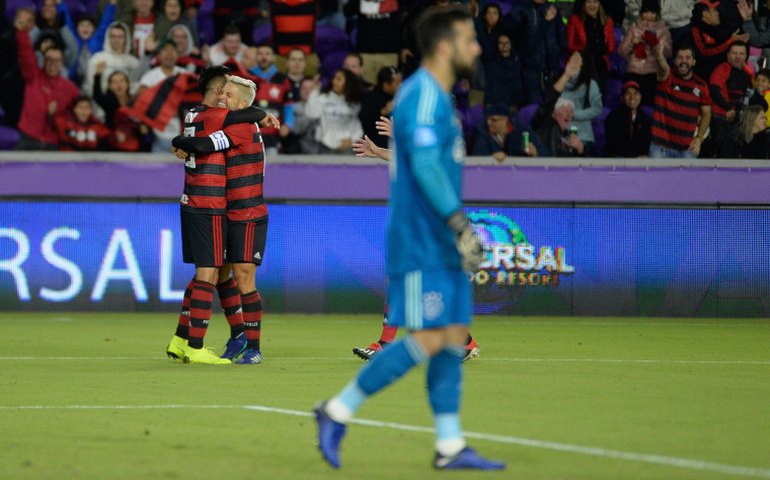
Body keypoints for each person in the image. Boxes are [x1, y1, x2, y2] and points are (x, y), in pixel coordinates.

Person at [314, 6, 505, 471]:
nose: (477, 48)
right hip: (422, 241)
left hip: (440, 239)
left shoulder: (437, 97)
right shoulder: (420, 94)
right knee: (432, 338)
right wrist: (460, 224)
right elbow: (423, 167)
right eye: (469, 39)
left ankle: (450, 445)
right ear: (445, 46)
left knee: (455, 336)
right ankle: (337, 410)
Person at [165, 67, 275, 364]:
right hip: (225, 209)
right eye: (222, 92)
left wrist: (180, 142)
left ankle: (252, 347)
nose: (223, 97)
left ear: (243, 106)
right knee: (219, 274)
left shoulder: (238, 126)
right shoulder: (222, 120)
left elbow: (201, 145)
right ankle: (236, 334)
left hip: (247, 211)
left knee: (240, 276)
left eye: (229, 95)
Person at [14, 18, 80, 150]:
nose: (53, 64)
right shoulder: (33, 76)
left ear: (62, 63)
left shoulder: (70, 88)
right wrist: (22, 33)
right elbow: (26, 54)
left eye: (57, 60)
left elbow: (78, 114)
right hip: (29, 137)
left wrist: (57, 115)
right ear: (43, 60)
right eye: (49, 59)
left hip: (53, 141)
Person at [649, 43, 712, 158]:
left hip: (687, 148)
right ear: (675, 61)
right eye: (680, 57)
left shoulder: (702, 85)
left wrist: (699, 138)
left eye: (688, 58)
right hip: (661, 146)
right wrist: (659, 57)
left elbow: (706, 114)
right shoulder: (667, 77)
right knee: (655, 176)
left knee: (690, 177)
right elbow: (663, 68)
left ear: (694, 62)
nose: (683, 61)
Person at [509, 0, 568, 106]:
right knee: (534, 111)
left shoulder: (552, 8)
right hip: (531, 72)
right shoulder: (520, 10)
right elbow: (525, 46)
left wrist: (560, 56)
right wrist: (545, 22)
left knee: (553, 110)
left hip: (552, 71)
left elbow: (562, 36)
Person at [531, 52, 586, 157]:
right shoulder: (542, 124)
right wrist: (566, 76)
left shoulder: (569, 136)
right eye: (566, 110)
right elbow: (548, 102)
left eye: (571, 112)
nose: (570, 115)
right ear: (553, 113)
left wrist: (581, 150)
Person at [619, 0, 672, 105]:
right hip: (633, 71)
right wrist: (632, 44)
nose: (649, 15)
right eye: (646, 12)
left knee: (648, 103)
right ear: (641, 13)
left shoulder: (663, 30)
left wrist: (656, 45)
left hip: (652, 72)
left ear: (657, 14)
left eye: (652, 12)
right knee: (630, 102)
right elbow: (621, 51)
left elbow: (668, 52)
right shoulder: (634, 29)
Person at [707, 41, 753, 157]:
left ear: (746, 56)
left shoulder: (747, 73)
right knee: (718, 151)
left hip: (737, 119)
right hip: (720, 117)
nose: (738, 56)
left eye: (741, 53)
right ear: (728, 55)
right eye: (734, 53)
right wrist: (728, 109)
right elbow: (713, 90)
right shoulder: (722, 69)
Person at [305, 69, 363, 153]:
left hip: (348, 148)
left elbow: (357, 127)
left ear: (348, 83)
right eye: (334, 78)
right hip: (325, 147)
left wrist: (352, 140)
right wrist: (315, 91)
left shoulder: (354, 104)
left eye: (338, 79)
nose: (334, 81)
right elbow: (311, 114)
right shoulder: (323, 98)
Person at [59, 0, 117, 84]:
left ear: (94, 29)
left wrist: (112, 4)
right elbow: (66, 19)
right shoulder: (73, 38)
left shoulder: (98, 38)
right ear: (77, 28)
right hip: (72, 80)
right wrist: (59, 3)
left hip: (94, 80)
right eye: (82, 25)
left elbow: (106, 20)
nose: (85, 28)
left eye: (89, 25)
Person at [559, 51, 603, 153]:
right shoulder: (561, 82)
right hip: (561, 136)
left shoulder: (590, 84)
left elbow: (597, 109)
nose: (572, 61)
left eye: (576, 59)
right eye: (571, 59)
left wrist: (574, 114)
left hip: (583, 137)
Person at [566, 0, 614, 92]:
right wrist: (585, 50)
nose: (592, 5)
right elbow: (569, 45)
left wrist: (603, 48)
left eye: (595, 2)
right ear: (583, 4)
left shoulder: (608, 21)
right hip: (582, 61)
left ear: (600, 4)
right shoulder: (575, 20)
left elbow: (611, 48)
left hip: (600, 63)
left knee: (599, 94)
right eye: (588, 2)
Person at [83, 22, 140, 98]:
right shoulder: (97, 59)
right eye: (113, 36)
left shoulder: (133, 62)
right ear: (108, 38)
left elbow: (136, 86)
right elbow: (90, 85)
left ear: (126, 39)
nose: (116, 40)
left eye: (120, 37)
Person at [472, 103, 540, 160]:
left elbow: (545, 153)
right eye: (487, 119)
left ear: (505, 120)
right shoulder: (482, 130)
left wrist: (536, 153)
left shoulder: (523, 130)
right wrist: (491, 158)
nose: (488, 122)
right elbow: (478, 157)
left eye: (494, 120)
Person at [604, 80, 652, 157]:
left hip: (638, 160)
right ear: (622, 98)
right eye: (628, 93)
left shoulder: (645, 119)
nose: (632, 97)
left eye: (635, 93)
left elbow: (646, 143)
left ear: (640, 96)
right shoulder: (613, 117)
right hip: (617, 159)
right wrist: (633, 157)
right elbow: (613, 145)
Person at [359, 66, 401, 148]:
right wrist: (382, 112)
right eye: (397, 83)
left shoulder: (403, 97)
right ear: (385, 85)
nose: (401, 85)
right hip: (375, 145)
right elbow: (364, 121)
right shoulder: (370, 97)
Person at [483, 32, 523, 108]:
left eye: (506, 43)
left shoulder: (517, 62)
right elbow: (490, 86)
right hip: (495, 105)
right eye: (501, 43)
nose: (504, 45)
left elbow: (517, 85)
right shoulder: (492, 64)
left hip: (513, 105)